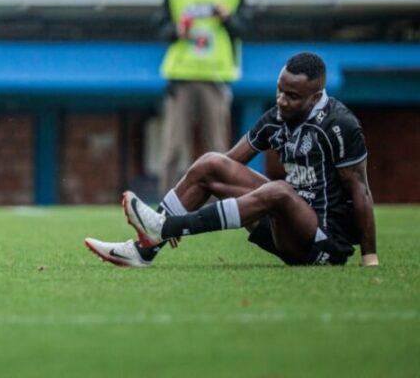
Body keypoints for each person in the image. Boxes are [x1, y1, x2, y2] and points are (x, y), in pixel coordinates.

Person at [85, 52, 378, 269]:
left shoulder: (340, 125)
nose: (281, 100)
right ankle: (144, 249)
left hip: (321, 244)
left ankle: (165, 227)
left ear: (315, 98)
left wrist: (370, 258)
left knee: (281, 190)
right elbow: (227, 167)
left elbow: (361, 190)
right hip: (281, 228)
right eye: (279, 90)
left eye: (292, 96)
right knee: (212, 162)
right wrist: (199, 190)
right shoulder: (277, 117)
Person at [157, 0, 247, 193]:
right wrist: (177, 30)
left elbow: (246, 28)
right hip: (182, 75)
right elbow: (159, 28)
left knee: (217, 148)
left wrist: (227, 18)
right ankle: (165, 208)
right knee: (173, 148)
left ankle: (222, 205)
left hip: (215, 76)